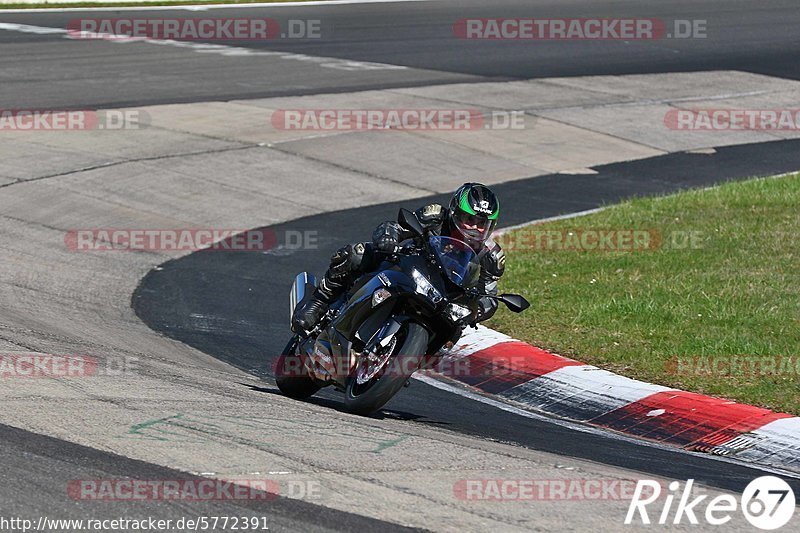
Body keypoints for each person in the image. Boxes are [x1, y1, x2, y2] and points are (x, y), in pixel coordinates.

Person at [292, 183, 505, 333]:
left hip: (444, 297)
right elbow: (395, 228)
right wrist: (388, 238)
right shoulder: (435, 216)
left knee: (455, 328)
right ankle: (318, 302)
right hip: (408, 267)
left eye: (481, 223)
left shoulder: (491, 256)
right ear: (455, 213)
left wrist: (478, 311)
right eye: (469, 219)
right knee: (357, 254)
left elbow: (489, 296)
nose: (475, 228)